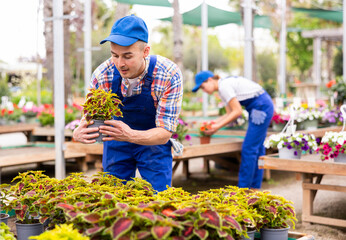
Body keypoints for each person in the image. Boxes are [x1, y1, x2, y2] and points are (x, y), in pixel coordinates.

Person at [73, 15, 183, 192]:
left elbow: (164, 133)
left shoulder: (168, 74)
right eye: (114, 55)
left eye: (127, 56)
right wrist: (80, 130)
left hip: (153, 142)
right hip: (116, 142)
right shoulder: (103, 74)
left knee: (159, 200)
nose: (120, 63)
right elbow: (89, 115)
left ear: (145, 52)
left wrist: (131, 135)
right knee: (113, 199)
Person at [192, 71, 273, 189]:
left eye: (203, 87)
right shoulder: (222, 87)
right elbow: (229, 113)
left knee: (249, 149)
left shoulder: (224, 86)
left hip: (261, 107)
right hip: (259, 106)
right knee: (257, 148)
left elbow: (237, 111)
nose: (204, 91)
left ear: (210, 80)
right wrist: (213, 123)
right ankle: (255, 188)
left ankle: (243, 189)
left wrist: (217, 127)